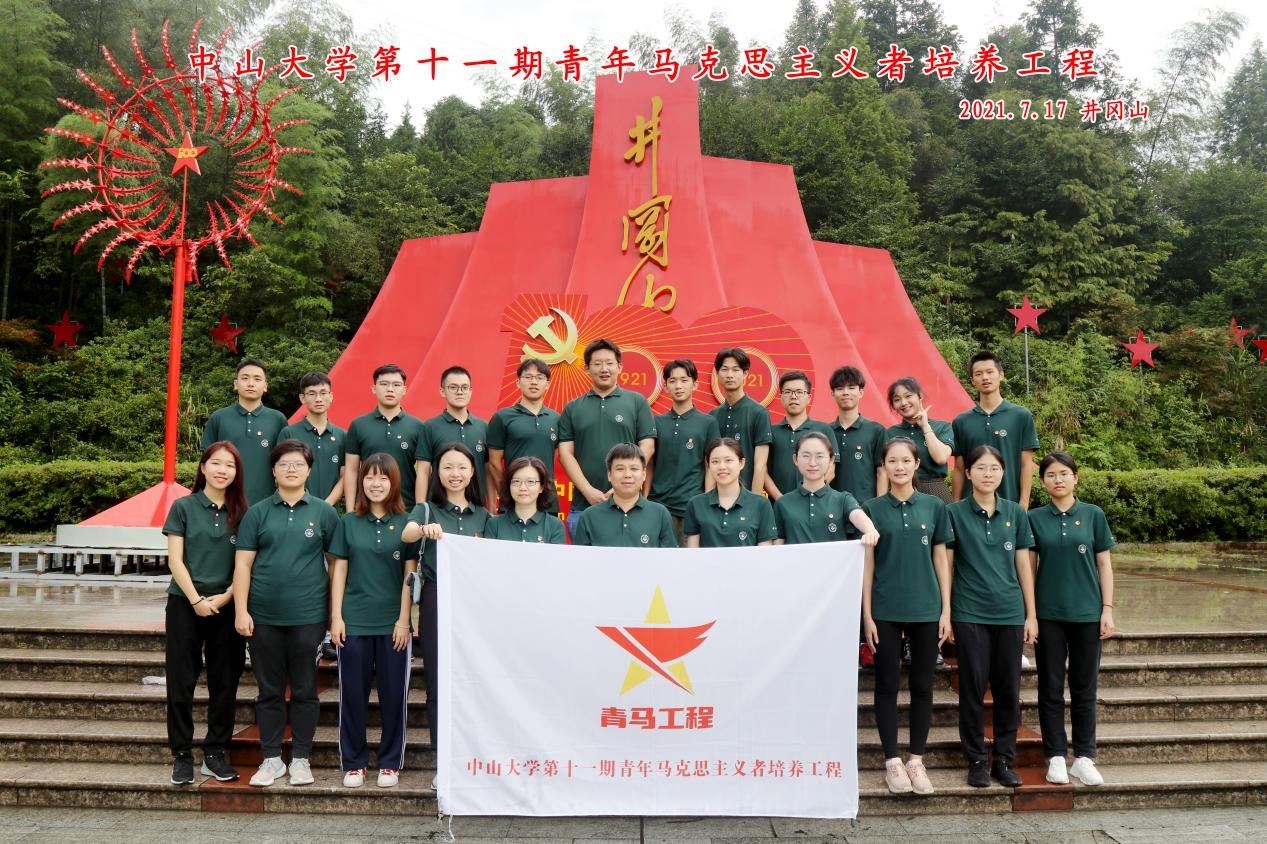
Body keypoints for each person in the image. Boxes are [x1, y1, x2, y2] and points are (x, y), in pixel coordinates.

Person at [233, 440, 340, 788]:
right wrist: (241, 611)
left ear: (309, 470)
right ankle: (271, 758)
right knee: (269, 690)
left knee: (306, 689)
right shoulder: (257, 513)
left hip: (308, 616)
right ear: (273, 470)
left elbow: (336, 565)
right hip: (263, 616)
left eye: (298, 464)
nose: (291, 469)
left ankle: (301, 759)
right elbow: (243, 564)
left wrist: (334, 613)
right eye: (284, 464)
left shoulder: (324, 512)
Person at [861, 437, 953, 796]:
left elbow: (941, 559)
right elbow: (868, 566)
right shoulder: (872, 508)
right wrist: (867, 614)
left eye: (905, 461)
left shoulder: (934, 506)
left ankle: (916, 759)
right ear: (883, 466)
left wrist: (946, 609)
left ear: (917, 465)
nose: (899, 467)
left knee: (923, 685)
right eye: (892, 461)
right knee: (886, 685)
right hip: (885, 609)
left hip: (926, 608)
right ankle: (892, 761)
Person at [945, 445, 1037, 789]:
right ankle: (976, 760)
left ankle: (1004, 759)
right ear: (968, 473)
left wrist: (1031, 614)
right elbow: (948, 566)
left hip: (1010, 612)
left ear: (1003, 473)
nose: (987, 474)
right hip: (969, 611)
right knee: (972, 688)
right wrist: (947, 612)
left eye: (994, 468)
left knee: (1008, 689)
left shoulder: (1016, 513)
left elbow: (1024, 565)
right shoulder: (953, 513)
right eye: (980, 468)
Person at [402, 442, 490, 784]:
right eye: (448, 467)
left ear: (472, 472)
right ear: (437, 472)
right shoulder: (426, 509)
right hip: (437, 597)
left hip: (476, 603)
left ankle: (474, 758)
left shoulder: (484, 516)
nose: (455, 474)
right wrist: (425, 530)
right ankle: (445, 763)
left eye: (462, 467)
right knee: (438, 683)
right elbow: (406, 534)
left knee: (475, 681)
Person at [329, 453, 417, 789]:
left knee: (394, 696)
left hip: (393, 624)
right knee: (353, 695)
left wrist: (404, 620)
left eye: (383, 478)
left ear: (394, 482)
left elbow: (410, 577)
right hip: (354, 622)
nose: (376, 484)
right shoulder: (349, 522)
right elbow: (339, 571)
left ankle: (390, 762)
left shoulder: (407, 524)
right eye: (369, 477)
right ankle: (354, 763)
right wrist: (336, 617)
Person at [162, 441, 248, 786]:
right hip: (185, 603)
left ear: (236, 473)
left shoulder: (243, 512)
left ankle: (215, 752)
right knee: (181, 681)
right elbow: (175, 560)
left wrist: (227, 597)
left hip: (227, 605)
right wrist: (196, 599)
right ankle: (181, 754)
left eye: (230, 465)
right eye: (216, 463)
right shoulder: (183, 507)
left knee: (225, 682)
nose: (222, 470)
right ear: (203, 467)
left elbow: (246, 564)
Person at [1029, 452, 1116, 788]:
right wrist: (1030, 614)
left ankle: (1084, 757)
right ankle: (1055, 755)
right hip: (1048, 615)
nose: (1058, 480)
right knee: (1050, 687)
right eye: (1051, 475)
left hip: (1087, 614)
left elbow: (1104, 564)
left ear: (1075, 478)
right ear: (1043, 482)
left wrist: (1107, 609)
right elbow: (1028, 568)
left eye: (1064, 473)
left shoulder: (1093, 515)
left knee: (1084, 687)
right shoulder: (1035, 518)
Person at [558, 339, 656, 537]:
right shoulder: (573, 407)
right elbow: (565, 453)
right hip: (583, 507)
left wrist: (619, 488)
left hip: (629, 506)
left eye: (610, 363)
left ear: (619, 367)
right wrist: (587, 490)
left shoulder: (637, 402)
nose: (604, 369)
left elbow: (648, 446)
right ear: (587, 368)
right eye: (597, 363)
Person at [951, 352, 1039, 507]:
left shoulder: (1021, 416)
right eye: (979, 374)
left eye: (990, 372)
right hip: (970, 508)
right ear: (972, 380)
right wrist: (955, 505)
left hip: (1010, 505)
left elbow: (1026, 464)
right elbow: (959, 468)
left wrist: (1023, 505)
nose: (985, 377)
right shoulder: (961, 421)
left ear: (1001, 375)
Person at [647, 359, 719, 546]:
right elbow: (650, 464)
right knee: (659, 559)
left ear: (695, 384)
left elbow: (710, 465)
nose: (678, 386)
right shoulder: (656, 422)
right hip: (659, 506)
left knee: (690, 560)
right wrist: (645, 498)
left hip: (692, 505)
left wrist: (707, 502)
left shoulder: (708, 422)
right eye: (672, 381)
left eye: (684, 380)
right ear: (665, 387)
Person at [201, 359, 288, 505]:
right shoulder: (219, 418)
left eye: (257, 379)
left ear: (265, 386)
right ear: (236, 384)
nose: (251, 383)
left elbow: (285, 463)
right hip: (225, 502)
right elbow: (206, 462)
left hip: (266, 502)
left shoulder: (277, 419)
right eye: (245, 378)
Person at [345, 363, 429, 510]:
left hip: (406, 508)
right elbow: (351, 470)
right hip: (367, 508)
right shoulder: (358, 425)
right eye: (384, 384)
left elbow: (424, 472)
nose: (390, 389)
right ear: (374, 388)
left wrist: (420, 511)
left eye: (396, 385)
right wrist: (350, 510)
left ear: (404, 390)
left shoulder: (418, 426)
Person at [772, 431, 878, 546]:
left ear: (831, 460)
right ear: (795, 459)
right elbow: (777, 547)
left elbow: (857, 515)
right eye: (806, 456)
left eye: (819, 456)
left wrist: (870, 530)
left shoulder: (843, 499)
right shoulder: (783, 503)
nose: (812, 463)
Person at [487, 358, 561, 513]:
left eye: (539, 378)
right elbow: (494, 463)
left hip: (548, 502)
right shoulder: (502, 417)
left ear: (547, 384)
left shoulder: (556, 419)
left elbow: (555, 454)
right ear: (518, 383)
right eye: (528, 377)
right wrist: (508, 496)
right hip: (514, 504)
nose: (533, 382)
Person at [572, 443, 677, 547]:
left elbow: (669, 556)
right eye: (620, 469)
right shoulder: (589, 517)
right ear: (609, 475)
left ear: (644, 474)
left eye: (634, 469)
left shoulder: (660, 514)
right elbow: (581, 557)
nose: (627, 475)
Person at [684, 437, 778, 548]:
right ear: (708, 465)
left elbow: (765, 553)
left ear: (741, 463)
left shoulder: (761, 504)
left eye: (728, 460)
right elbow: (692, 553)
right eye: (715, 461)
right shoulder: (695, 504)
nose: (722, 467)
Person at [419, 366, 492, 505]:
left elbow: (488, 471)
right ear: (442, 391)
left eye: (464, 387)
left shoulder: (483, 427)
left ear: (470, 391)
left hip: (476, 506)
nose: (459, 392)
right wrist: (421, 509)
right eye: (453, 387)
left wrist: (492, 508)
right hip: (439, 507)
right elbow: (423, 471)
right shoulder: (430, 427)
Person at [765, 370, 836, 501]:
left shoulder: (824, 430)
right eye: (788, 392)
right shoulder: (770, 431)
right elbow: (762, 470)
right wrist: (781, 500)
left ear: (809, 397)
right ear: (781, 397)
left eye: (799, 392)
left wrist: (810, 495)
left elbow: (831, 470)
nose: (793, 397)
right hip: (777, 505)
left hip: (815, 503)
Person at [279, 371, 346, 507]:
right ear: (302, 398)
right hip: (295, 507)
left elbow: (346, 476)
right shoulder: (289, 433)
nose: (318, 399)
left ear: (331, 396)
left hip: (330, 509)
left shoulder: (343, 435)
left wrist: (327, 505)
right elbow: (281, 473)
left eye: (323, 393)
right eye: (312, 394)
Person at [709, 348, 772, 493]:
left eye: (736, 370)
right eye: (725, 369)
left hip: (747, 495)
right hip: (717, 496)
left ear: (745, 374)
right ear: (717, 374)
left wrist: (754, 501)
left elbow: (760, 465)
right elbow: (709, 464)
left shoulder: (759, 413)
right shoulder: (712, 416)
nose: (730, 375)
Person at [886, 377, 955, 503]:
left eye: (908, 396)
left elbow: (940, 458)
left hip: (935, 491)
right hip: (900, 493)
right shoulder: (890, 433)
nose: (903, 403)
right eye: (897, 399)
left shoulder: (942, 427)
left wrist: (925, 426)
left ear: (920, 396)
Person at [828, 365, 887, 504]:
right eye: (840, 388)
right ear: (832, 393)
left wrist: (879, 506)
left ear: (861, 392)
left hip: (865, 506)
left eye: (851, 388)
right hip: (831, 506)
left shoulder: (876, 430)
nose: (845, 392)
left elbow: (882, 471)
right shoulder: (825, 431)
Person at [484, 456, 568, 544]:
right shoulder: (494, 524)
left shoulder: (555, 526)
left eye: (530, 482)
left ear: (541, 487)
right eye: (516, 481)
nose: (523, 488)